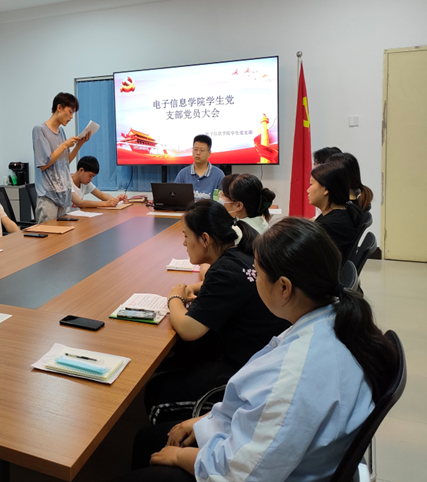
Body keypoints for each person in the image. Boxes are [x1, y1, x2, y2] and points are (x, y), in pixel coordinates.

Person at [117, 217, 397, 482]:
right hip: (253, 442)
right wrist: (206, 422)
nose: (253, 279)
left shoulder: (296, 375)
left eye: (258, 274)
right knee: (146, 439)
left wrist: (180, 457)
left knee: (147, 452)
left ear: (284, 287)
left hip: (242, 468)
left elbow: (239, 474)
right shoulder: (330, 319)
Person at [144, 200, 289, 422]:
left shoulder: (224, 269)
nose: (184, 243)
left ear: (205, 239)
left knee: (157, 389)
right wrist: (193, 288)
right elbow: (228, 286)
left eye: (186, 236)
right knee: (187, 355)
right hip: (265, 359)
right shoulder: (238, 255)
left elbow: (188, 329)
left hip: (245, 370)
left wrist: (174, 297)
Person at [32, 92, 89, 223]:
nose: (71, 117)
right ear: (59, 108)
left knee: (64, 234)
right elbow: (44, 164)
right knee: (48, 234)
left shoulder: (61, 131)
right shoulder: (39, 130)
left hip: (63, 195)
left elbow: (65, 162)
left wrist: (79, 145)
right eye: (70, 112)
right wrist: (64, 145)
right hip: (48, 196)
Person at [309, 161, 363, 261]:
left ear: (325, 189)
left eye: (311, 184)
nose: (308, 190)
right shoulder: (340, 213)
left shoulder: (329, 226)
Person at [173, 135, 224, 200]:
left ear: (209, 153)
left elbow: (222, 200)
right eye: (195, 149)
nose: (198, 153)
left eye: (202, 150)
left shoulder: (218, 175)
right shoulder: (183, 173)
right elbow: (174, 196)